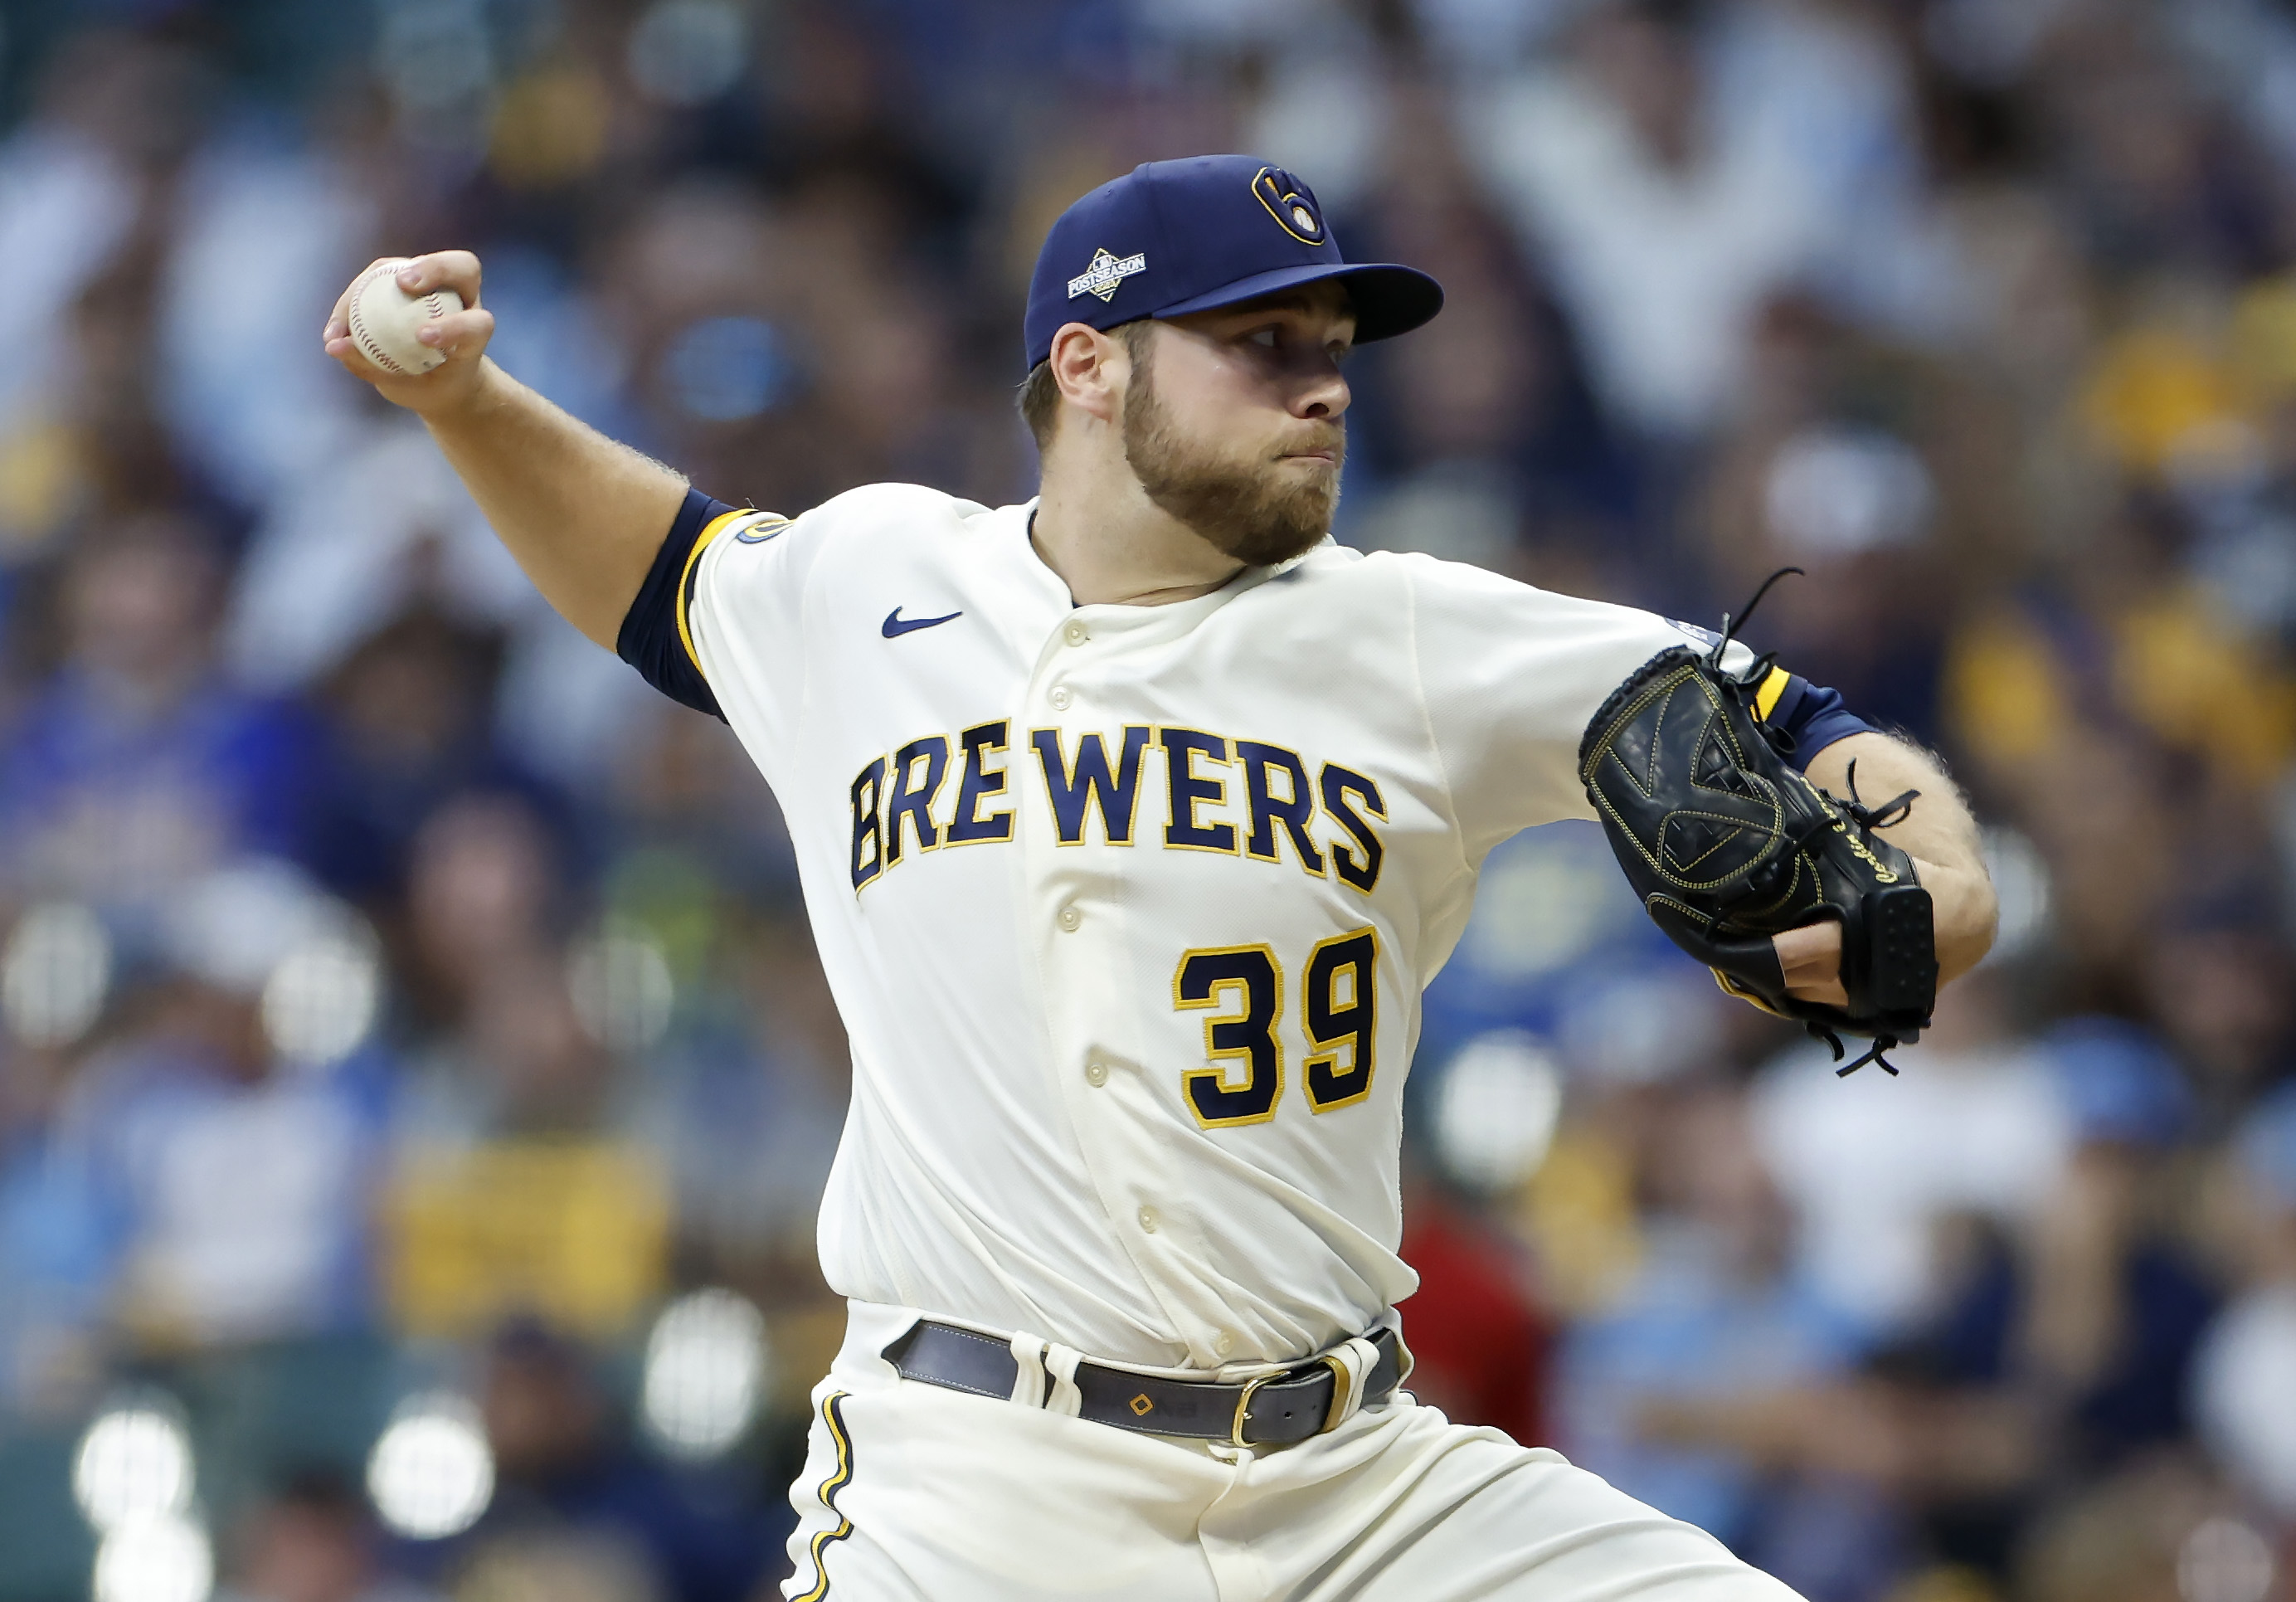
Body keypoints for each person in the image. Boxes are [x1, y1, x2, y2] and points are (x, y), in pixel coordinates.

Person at [323, 154, 1996, 1601]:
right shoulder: (871, 580)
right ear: (1090, 365)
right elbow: (663, 566)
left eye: (1333, 353)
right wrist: (462, 400)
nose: (1323, 387)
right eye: (1262, 345)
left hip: (1360, 1487)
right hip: (981, 1485)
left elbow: (1800, 724)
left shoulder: (1408, 633)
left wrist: (1937, 877)